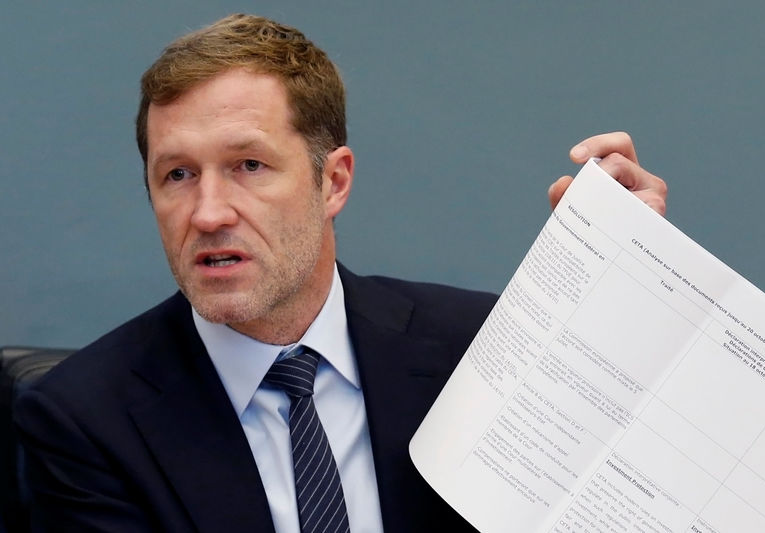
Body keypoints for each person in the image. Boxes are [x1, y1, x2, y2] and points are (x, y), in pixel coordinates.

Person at [13, 13, 667, 533]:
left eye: (248, 165)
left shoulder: (480, 352)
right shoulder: (83, 419)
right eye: (177, 175)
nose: (208, 212)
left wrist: (630, 296)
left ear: (334, 181)